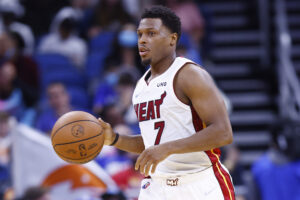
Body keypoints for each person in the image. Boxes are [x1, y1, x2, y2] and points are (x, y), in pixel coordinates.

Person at [98, 5, 235, 200]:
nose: (143, 40)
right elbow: (153, 143)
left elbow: (223, 132)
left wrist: (166, 149)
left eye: (151, 33)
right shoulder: (141, 86)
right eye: (140, 35)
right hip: (157, 186)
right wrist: (115, 139)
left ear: (172, 39)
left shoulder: (189, 74)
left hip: (198, 184)